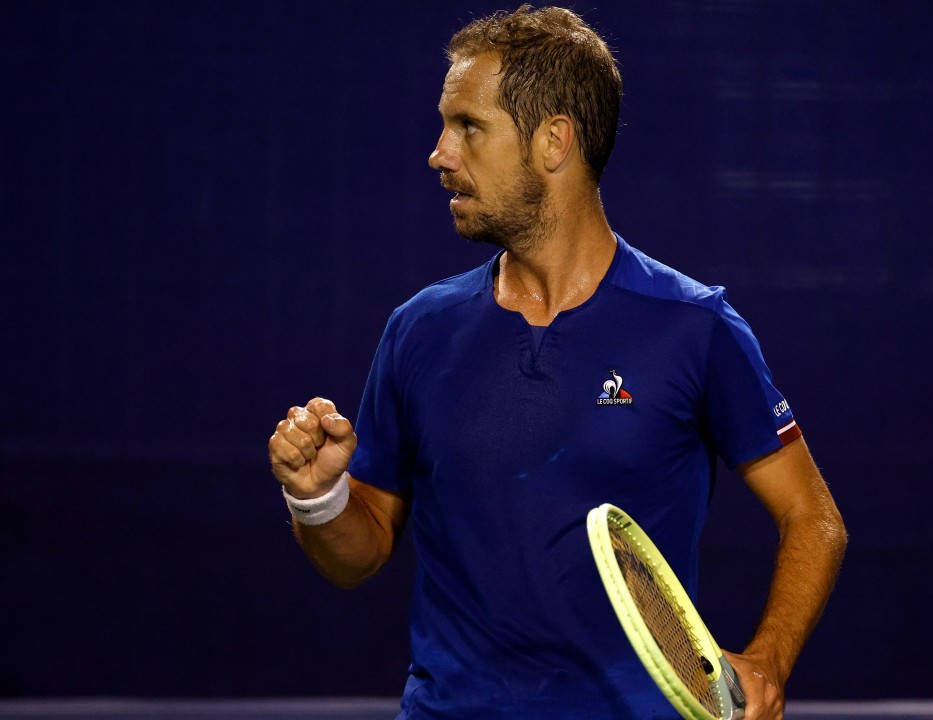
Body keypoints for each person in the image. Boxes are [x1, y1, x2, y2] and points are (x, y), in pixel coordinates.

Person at [267, 6, 846, 719]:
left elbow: (814, 518)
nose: (440, 153)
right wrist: (318, 498)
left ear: (554, 141)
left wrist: (768, 661)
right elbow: (358, 555)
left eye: (468, 127)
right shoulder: (418, 331)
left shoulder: (695, 327)